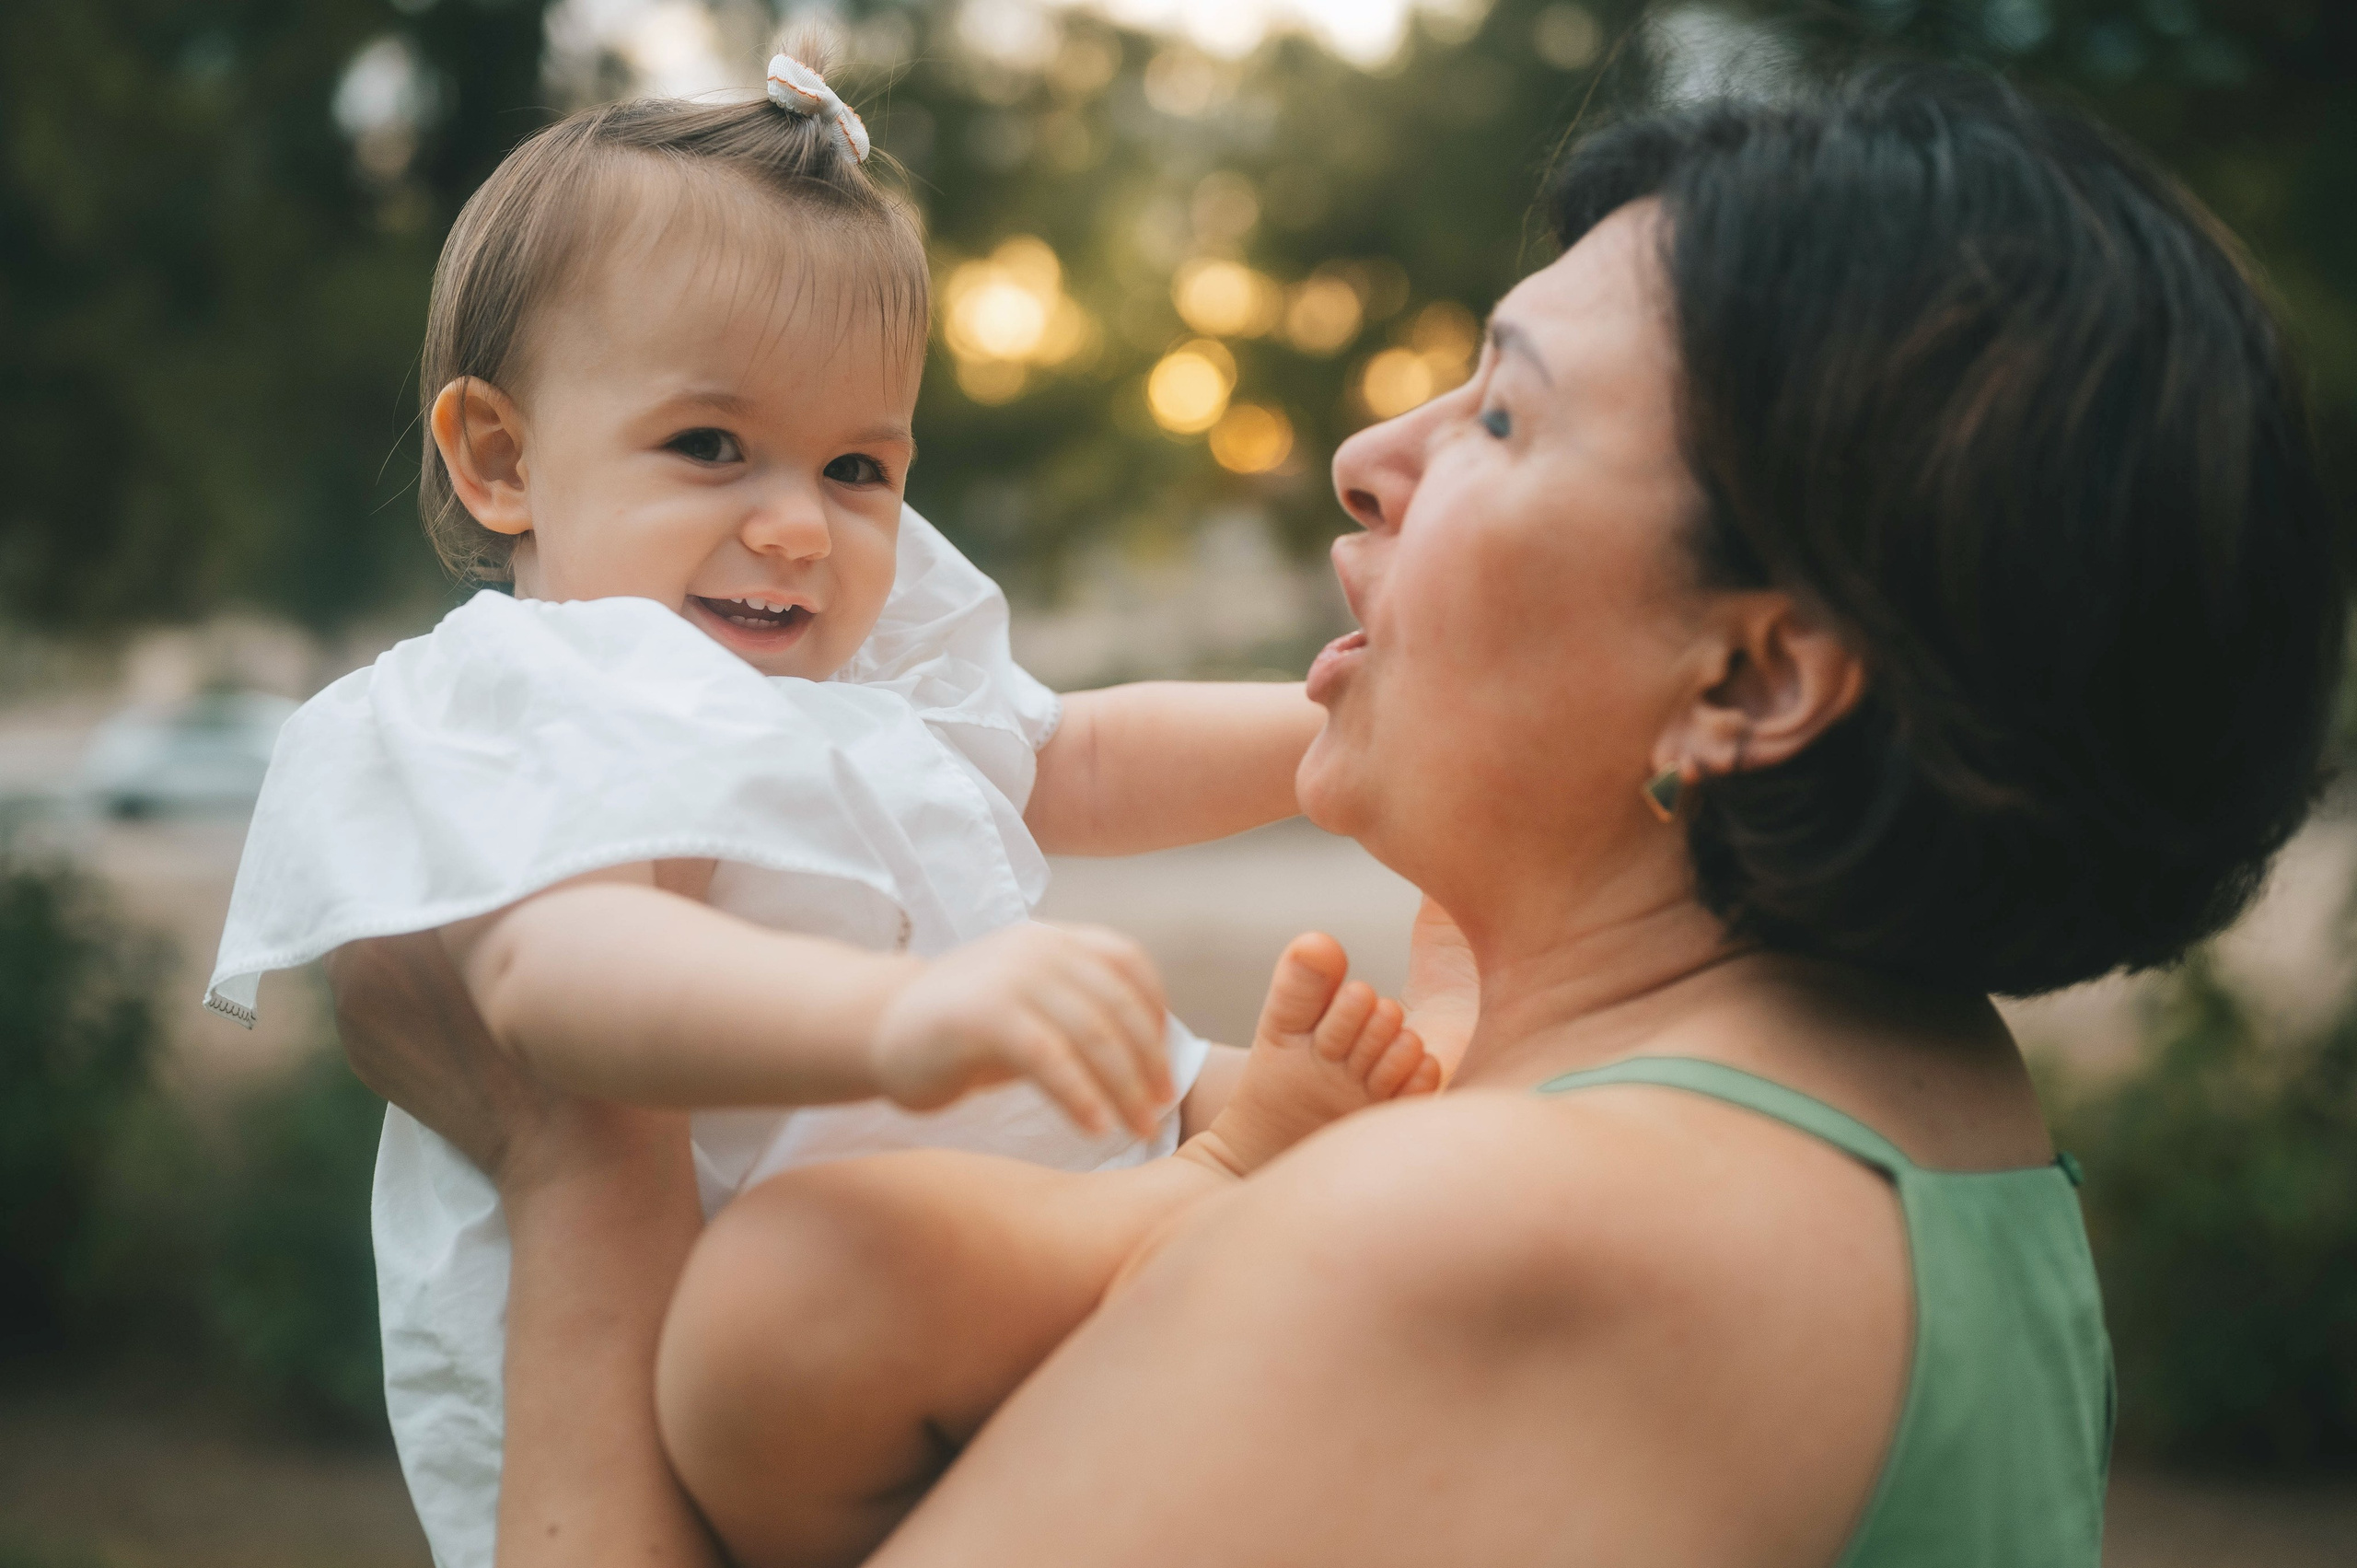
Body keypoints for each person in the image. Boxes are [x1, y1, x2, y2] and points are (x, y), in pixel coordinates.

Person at [331, 65, 2347, 1568]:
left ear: (1745, 680)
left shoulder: (1481, 1239)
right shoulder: (1919, 1115)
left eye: (1498, 414)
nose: (1371, 454)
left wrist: (579, 1169)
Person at [207, 43, 1435, 1568]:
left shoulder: (850, 691)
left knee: (1383, 1142)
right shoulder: (529, 697)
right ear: (503, 457)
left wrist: (1348, 721)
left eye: (858, 465)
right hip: (726, 1386)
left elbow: (1081, 760)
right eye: (710, 446)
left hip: (996, 1239)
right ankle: (1228, 1179)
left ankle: (1258, 1161)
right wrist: (887, 1025)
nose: (796, 525)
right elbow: (554, 975)